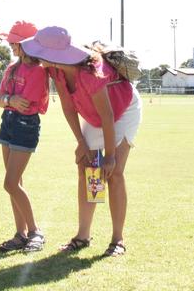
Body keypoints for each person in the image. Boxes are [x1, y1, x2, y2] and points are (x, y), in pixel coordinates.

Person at [23, 26, 139, 258]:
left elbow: (108, 116)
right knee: (89, 169)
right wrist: (81, 142)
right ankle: (83, 236)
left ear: (54, 55)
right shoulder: (55, 71)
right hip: (95, 116)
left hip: (123, 111)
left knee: (113, 172)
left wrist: (109, 156)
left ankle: (118, 240)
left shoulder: (90, 71)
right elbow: (68, 106)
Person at [0, 20, 48, 253]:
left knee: (10, 183)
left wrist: (10, 100)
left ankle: (36, 232)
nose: (11, 46)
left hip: (25, 125)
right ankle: (21, 234)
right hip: (8, 124)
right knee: (15, 183)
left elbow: (25, 105)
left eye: (15, 42)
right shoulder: (11, 69)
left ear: (26, 45)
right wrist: (9, 100)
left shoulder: (38, 71)